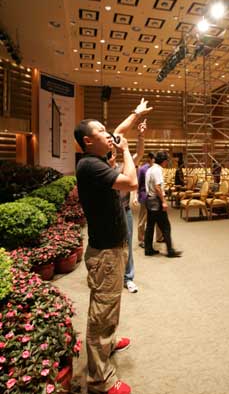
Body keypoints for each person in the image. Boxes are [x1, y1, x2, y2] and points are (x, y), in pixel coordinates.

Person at [74, 100, 150, 394]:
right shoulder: (91, 165)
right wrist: (127, 150)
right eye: (102, 132)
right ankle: (98, 380)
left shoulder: (97, 160)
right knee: (102, 311)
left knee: (107, 306)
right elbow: (132, 181)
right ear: (88, 141)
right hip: (105, 252)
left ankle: (106, 343)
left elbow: (118, 132)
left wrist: (135, 114)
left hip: (110, 248)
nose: (110, 135)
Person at [109, 119, 148, 293]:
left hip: (124, 211)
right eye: (109, 153)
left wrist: (140, 136)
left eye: (113, 152)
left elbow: (139, 154)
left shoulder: (123, 166)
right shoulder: (100, 169)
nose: (112, 155)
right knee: (109, 245)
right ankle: (111, 274)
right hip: (108, 213)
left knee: (127, 244)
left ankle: (128, 277)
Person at [144, 150, 182, 258]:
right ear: (164, 161)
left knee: (150, 226)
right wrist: (164, 201)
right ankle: (170, 251)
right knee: (166, 226)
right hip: (157, 201)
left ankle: (148, 249)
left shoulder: (150, 169)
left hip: (150, 200)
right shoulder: (157, 170)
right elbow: (157, 187)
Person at [137, 152, 164, 249]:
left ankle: (159, 237)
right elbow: (139, 184)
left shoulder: (157, 169)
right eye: (152, 158)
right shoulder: (143, 169)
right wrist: (138, 196)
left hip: (155, 196)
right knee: (143, 220)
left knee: (158, 218)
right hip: (145, 196)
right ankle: (141, 239)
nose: (153, 160)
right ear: (149, 159)